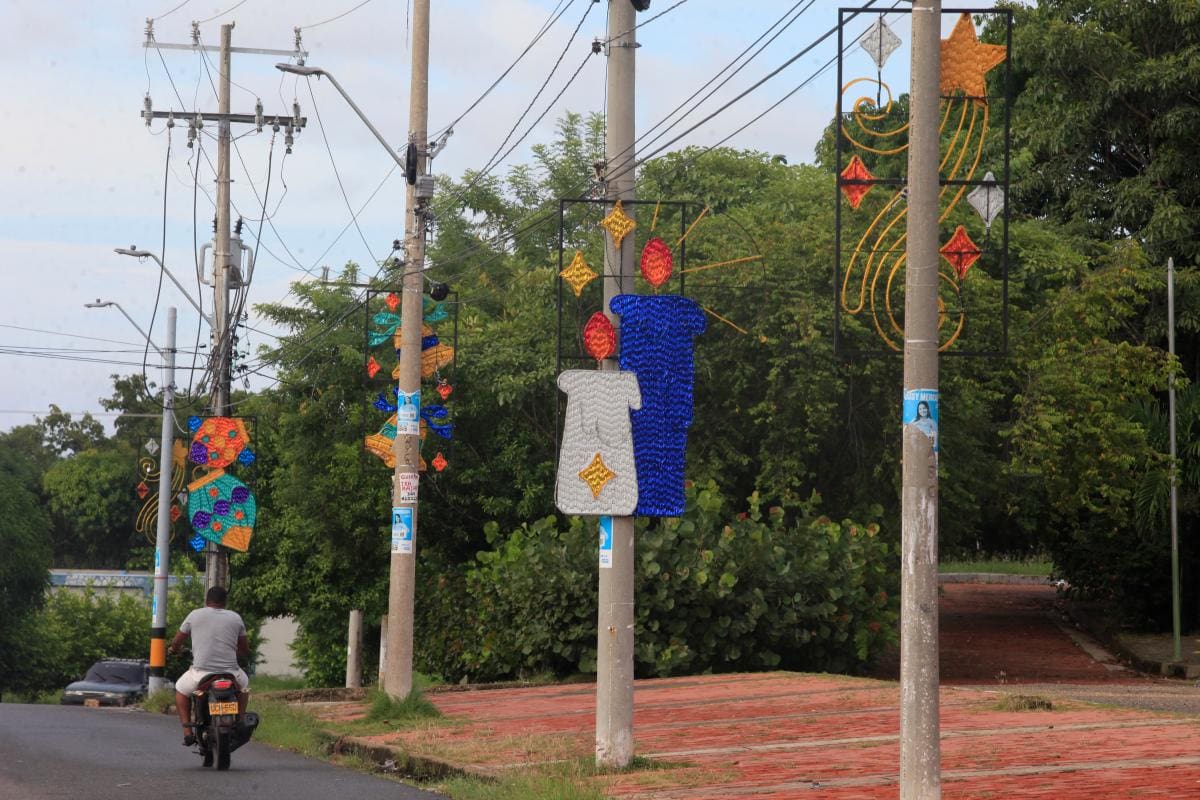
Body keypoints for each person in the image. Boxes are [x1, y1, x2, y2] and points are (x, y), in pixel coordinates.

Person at [169, 586, 250, 746]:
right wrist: (236, 653)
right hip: (231, 673)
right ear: (225, 602)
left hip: (200, 674)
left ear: (206, 600)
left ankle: (187, 732)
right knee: (244, 687)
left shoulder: (195, 615)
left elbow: (177, 641)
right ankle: (240, 719)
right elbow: (244, 649)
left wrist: (174, 649)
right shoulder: (235, 618)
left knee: (180, 691)